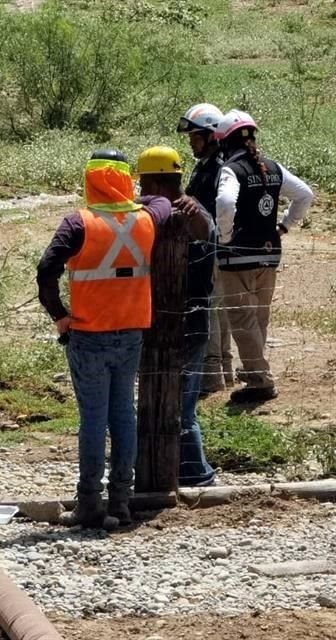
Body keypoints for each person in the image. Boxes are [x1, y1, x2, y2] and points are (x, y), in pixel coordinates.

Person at [36, 149, 208, 528]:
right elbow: (164, 200)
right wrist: (138, 200)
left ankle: (89, 503)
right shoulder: (147, 218)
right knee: (124, 416)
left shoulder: (77, 224)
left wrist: (60, 317)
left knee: (93, 419)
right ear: (126, 178)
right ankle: (121, 502)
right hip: (131, 332)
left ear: (90, 179)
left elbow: (46, 270)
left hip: (88, 334)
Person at [213, 110, 314, 403]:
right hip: (269, 255)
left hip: (237, 258)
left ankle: (260, 380)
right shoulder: (272, 167)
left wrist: (226, 236)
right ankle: (255, 374)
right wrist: (284, 225)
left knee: (242, 320)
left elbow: (225, 202)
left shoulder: (231, 169)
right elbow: (305, 194)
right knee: (258, 318)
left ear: (225, 142)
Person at [135, 146, 217, 487]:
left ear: (154, 181)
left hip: (177, 322)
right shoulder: (190, 209)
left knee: (179, 406)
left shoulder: (185, 214)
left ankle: (195, 475)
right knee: (175, 402)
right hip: (189, 322)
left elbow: (201, 231)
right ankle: (170, 471)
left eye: (143, 184)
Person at [177, 103, 234, 394]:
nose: (191, 143)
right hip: (215, 246)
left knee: (212, 308)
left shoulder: (219, 168)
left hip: (211, 247)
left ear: (212, 136)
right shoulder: (209, 165)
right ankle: (224, 371)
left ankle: (212, 374)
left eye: (195, 137)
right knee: (219, 307)